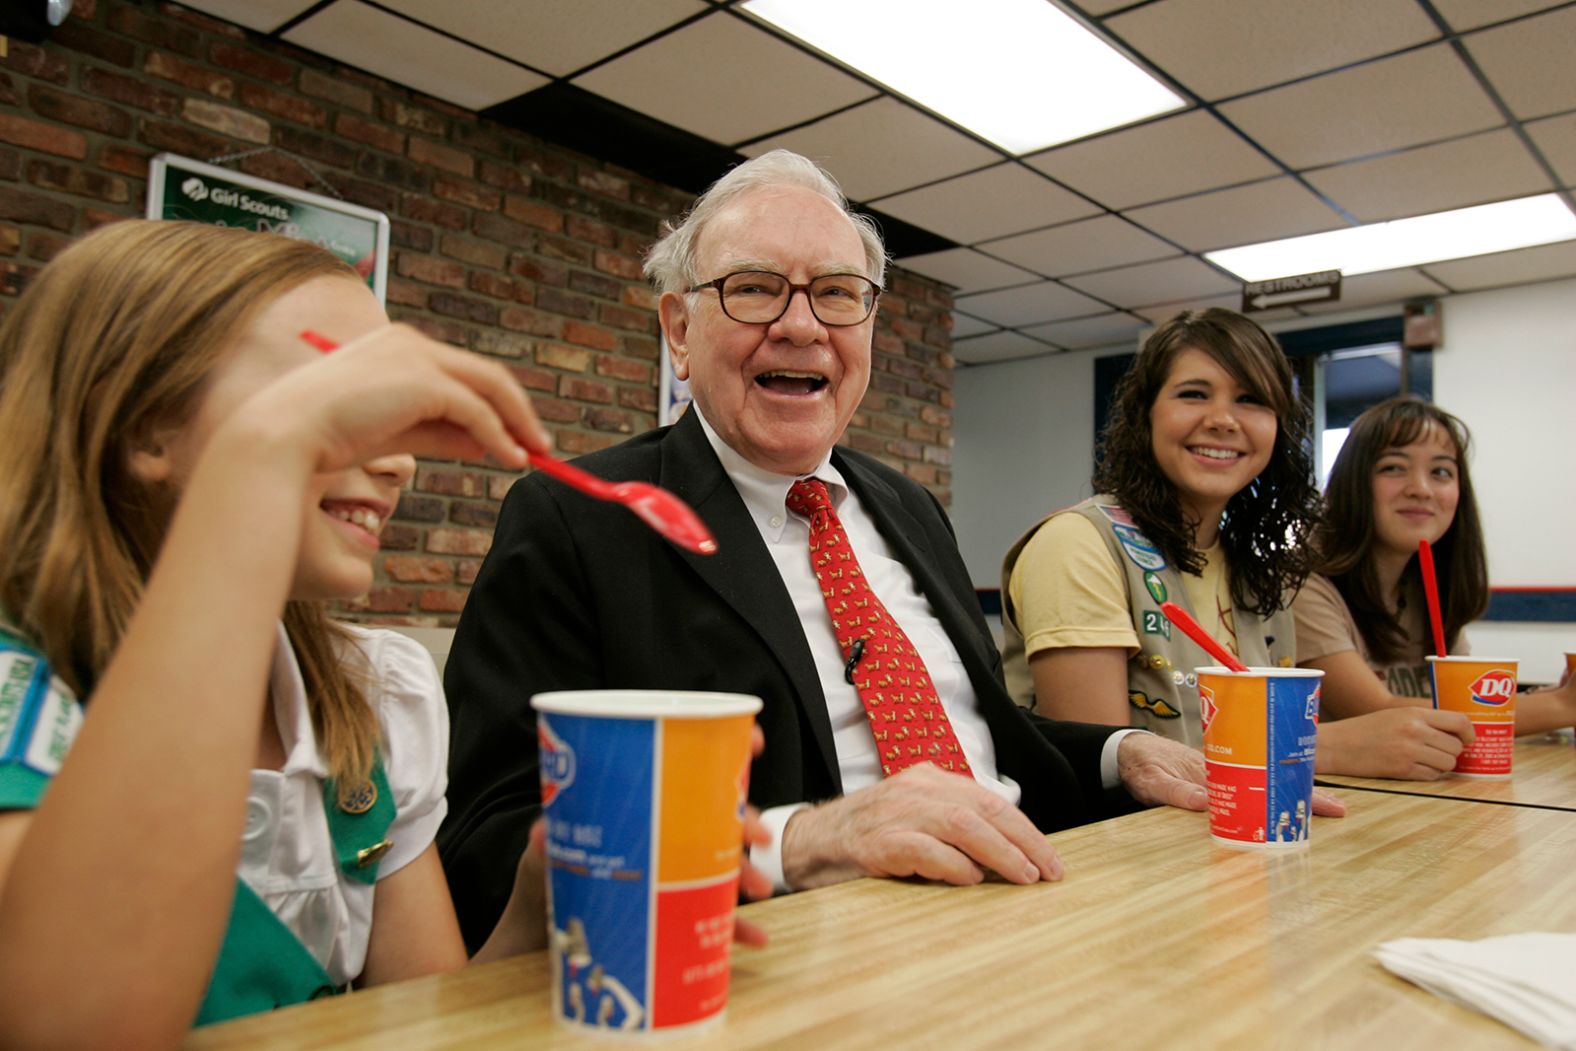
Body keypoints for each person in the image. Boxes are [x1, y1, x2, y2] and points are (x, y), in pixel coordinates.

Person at [438, 150, 1252, 951]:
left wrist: (1124, 754)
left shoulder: (910, 506)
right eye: (755, 289)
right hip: (801, 964)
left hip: (1031, 919)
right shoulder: (575, 519)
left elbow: (991, 743)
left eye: (837, 294)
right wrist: (804, 839)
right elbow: (490, 839)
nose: (802, 325)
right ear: (680, 331)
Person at [0, 220, 561, 1048]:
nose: (402, 457)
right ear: (148, 424)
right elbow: (79, 1021)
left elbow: (421, 1023)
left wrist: (532, 923)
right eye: (335, 395)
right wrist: (260, 463)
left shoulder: (371, 695)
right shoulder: (22, 691)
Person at [999, 309, 1470, 780]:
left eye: (1251, 399)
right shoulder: (1076, 543)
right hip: (1110, 847)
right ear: (1145, 416)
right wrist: (1324, 746)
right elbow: (1103, 763)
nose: (1223, 419)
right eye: (1193, 394)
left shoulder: (1260, 570)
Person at [1294, 396, 1576, 753]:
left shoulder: (1429, 588)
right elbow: (1380, 717)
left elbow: (1467, 699)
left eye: (1441, 472)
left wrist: (1553, 695)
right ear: (1354, 483)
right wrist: (1561, 706)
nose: (1421, 489)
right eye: (1393, 467)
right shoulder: (1303, 586)